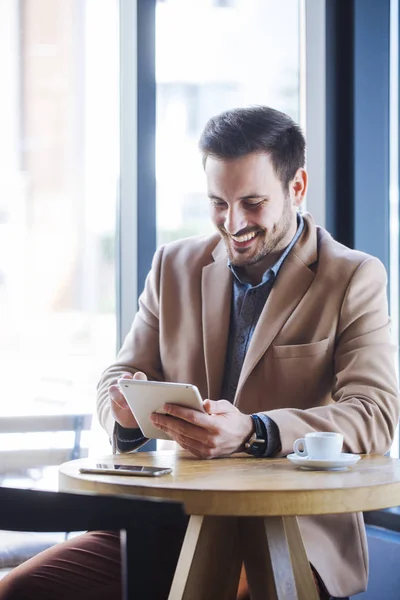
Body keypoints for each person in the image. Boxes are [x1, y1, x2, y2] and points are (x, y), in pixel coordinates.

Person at [0, 106, 398, 600]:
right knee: (23, 590)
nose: (233, 224)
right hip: (166, 517)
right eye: (218, 203)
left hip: (290, 528)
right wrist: (124, 412)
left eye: (252, 203)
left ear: (296, 188)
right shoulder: (173, 265)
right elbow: (121, 372)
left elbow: (375, 416)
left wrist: (255, 432)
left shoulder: (353, 276)